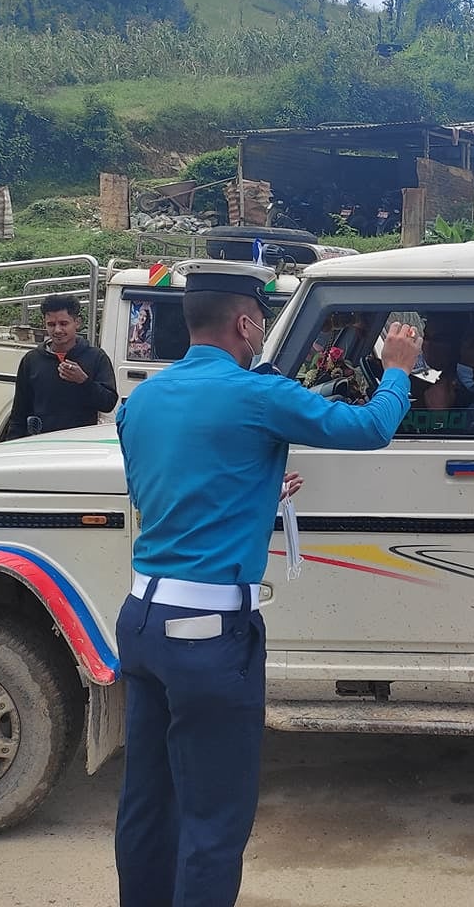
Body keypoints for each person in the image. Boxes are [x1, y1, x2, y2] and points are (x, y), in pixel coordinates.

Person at [113, 261, 422, 907]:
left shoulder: (140, 401)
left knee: (148, 803)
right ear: (245, 324)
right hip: (208, 637)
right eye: (260, 321)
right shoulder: (258, 394)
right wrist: (397, 369)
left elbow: (161, 493)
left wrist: (253, 489)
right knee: (214, 821)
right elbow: (369, 428)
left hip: (142, 622)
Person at [5, 294, 118, 438]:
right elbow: (19, 413)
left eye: (64, 323)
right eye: (51, 324)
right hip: (40, 443)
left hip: (80, 443)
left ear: (77, 322)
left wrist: (84, 381)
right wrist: (13, 443)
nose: (57, 330)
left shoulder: (96, 357)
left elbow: (108, 403)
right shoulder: (32, 360)